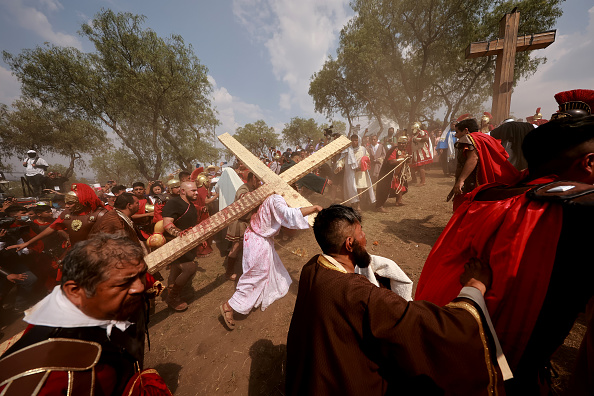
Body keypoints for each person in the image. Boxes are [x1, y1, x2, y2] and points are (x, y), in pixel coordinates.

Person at [415, 115, 594, 394]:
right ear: (590, 163)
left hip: (442, 337)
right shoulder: (575, 208)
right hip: (500, 368)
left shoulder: (487, 196)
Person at [285, 205, 505, 396]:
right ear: (350, 244)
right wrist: (475, 287)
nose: (366, 239)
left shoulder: (313, 268)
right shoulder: (362, 295)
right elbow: (428, 328)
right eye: (362, 233)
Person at [0, 234, 171, 395]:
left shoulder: (116, 286)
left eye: (139, 276)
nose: (138, 288)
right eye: (124, 282)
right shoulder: (50, 378)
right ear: (75, 291)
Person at [219, 195, 322, 330]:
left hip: (259, 237)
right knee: (255, 275)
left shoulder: (274, 198)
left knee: (268, 268)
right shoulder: (276, 199)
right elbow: (288, 214)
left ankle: (256, 297)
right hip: (257, 240)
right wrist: (314, 207)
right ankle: (229, 305)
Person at [449, 118, 519, 211]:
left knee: (466, 206)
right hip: (485, 175)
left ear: (466, 130)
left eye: (457, 132)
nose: (456, 135)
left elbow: (473, 158)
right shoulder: (485, 137)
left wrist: (461, 180)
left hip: (473, 180)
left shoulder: (468, 138)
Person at [161, 181, 199, 311]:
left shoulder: (191, 205)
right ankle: (172, 298)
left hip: (188, 244)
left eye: (196, 190)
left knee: (176, 270)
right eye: (193, 190)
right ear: (183, 191)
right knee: (190, 268)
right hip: (175, 243)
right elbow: (167, 224)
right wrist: (179, 234)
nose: (196, 192)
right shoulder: (173, 203)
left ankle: (176, 293)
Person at [223, 172, 259, 281]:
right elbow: (244, 197)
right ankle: (229, 272)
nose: (259, 183)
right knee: (236, 247)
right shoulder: (244, 188)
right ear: (253, 178)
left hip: (247, 222)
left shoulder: (252, 188)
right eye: (258, 180)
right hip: (239, 223)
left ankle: (251, 270)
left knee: (250, 247)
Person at [335, 134, 376, 211]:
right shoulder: (347, 150)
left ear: (359, 141)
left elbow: (367, 157)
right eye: (353, 140)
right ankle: (355, 206)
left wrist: (365, 161)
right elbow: (341, 160)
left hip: (360, 174)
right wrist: (339, 165)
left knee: (359, 192)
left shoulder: (363, 149)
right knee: (352, 190)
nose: (354, 142)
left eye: (356, 140)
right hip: (351, 174)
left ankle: (359, 205)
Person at [375, 136, 410, 212]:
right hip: (389, 174)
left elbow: (406, 161)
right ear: (399, 143)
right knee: (384, 189)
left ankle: (398, 201)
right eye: (401, 143)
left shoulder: (404, 151)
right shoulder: (394, 150)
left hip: (398, 173)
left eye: (405, 143)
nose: (403, 145)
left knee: (401, 186)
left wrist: (407, 159)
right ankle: (379, 206)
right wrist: (402, 159)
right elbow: (391, 161)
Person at [409, 122, 433, 186]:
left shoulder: (422, 132)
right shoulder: (414, 135)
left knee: (421, 166)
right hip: (414, 152)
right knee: (411, 166)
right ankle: (414, 179)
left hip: (420, 151)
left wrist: (417, 139)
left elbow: (426, 138)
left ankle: (423, 181)